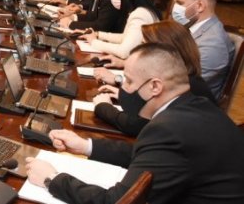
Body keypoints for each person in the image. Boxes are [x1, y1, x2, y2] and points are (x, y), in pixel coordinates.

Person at [25, 43, 244, 204]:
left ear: (155, 87)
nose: (124, 89)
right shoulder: (197, 106)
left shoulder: (170, 129)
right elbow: (146, 155)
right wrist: (85, 146)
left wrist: (52, 179)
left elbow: (120, 201)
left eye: (129, 81)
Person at [92, 20, 217, 136]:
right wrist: (126, 93)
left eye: (144, 45)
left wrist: (103, 107)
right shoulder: (182, 76)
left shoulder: (188, 85)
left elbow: (137, 125)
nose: (140, 50)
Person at [171, 0, 234, 99]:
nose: (174, 8)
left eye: (180, 3)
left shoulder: (213, 43)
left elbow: (183, 84)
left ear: (199, 6)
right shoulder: (191, 28)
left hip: (191, 103)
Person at [80, 0, 158, 60]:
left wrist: (94, 42)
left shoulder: (140, 15)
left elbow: (123, 52)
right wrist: (98, 35)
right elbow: (125, 37)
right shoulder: (139, 11)